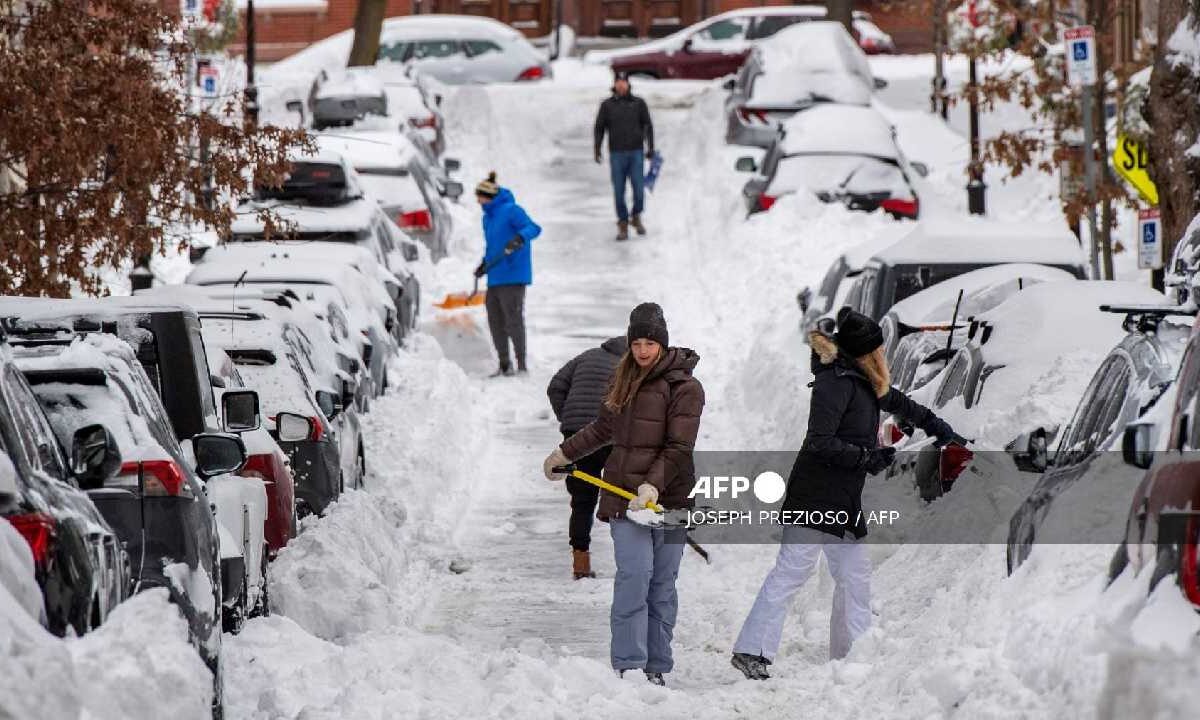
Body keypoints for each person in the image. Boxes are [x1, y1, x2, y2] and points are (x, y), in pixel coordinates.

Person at [730, 308, 967, 680]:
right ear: (865, 354)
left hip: (842, 496)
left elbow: (901, 404)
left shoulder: (862, 380)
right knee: (793, 571)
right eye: (879, 350)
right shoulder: (835, 384)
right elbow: (819, 442)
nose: (883, 356)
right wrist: (867, 457)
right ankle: (751, 650)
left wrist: (940, 428)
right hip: (815, 493)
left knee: (855, 575)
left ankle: (852, 653)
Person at [542, 303, 703, 685]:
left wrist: (653, 485)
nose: (643, 351)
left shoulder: (687, 387)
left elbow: (679, 447)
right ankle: (629, 665)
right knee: (634, 576)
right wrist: (564, 453)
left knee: (662, 586)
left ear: (662, 343)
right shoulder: (622, 380)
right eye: (637, 343)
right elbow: (602, 429)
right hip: (624, 496)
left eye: (650, 343)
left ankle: (657, 668)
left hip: (671, 500)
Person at [547, 336, 629, 579]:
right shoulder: (629, 367)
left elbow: (555, 387)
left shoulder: (586, 356)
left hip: (576, 436)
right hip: (611, 435)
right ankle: (630, 561)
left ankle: (580, 561)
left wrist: (569, 420)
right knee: (622, 495)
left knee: (582, 499)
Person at [474, 172, 542, 377]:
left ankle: (521, 365)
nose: (477, 200)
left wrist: (520, 238)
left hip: (513, 275)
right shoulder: (487, 218)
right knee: (495, 321)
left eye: (480, 196)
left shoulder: (512, 210)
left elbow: (534, 228)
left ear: (488, 196)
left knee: (513, 321)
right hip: (495, 276)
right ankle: (505, 364)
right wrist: (484, 264)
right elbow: (492, 247)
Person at [593, 72, 654, 241]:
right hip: (617, 154)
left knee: (639, 189)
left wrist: (651, 148)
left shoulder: (639, 104)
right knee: (619, 191)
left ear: (628, 84)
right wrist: (597, 148)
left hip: (636, 153)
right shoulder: (607, 105)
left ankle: (636, 216)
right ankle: (622, 222)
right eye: (618, 82)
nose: (621, 85)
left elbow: (648, 126)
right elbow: (599, 128)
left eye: (624, 82)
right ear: (614, 84)